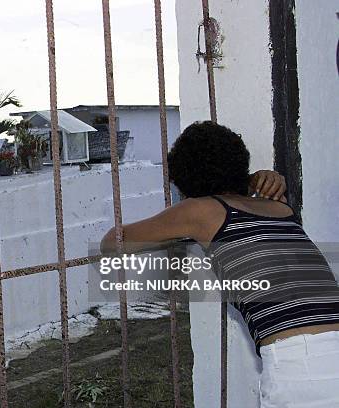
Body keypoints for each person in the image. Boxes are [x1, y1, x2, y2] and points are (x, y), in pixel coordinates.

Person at [101, 121, 339, 407]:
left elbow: (112, 243)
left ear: (184, 176)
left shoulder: (200, 210)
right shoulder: (280, 208)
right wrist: (252, 181)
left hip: (302, 366)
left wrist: (176, 229)